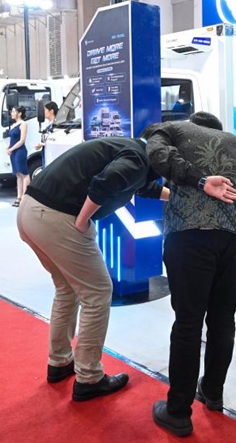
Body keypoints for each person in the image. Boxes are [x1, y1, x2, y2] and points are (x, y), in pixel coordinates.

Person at [16, 133, 177, 402]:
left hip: (31, 213)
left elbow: (137, 184)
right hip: (57, 218)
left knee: (67, 289)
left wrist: (173, 197)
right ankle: (89, 377)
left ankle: (59, 362)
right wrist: (82, 221)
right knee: (98, 292)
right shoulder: (137, 159)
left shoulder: (130, 150)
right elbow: (107, 182)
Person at [145, 112, 236, 438]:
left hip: (192, 232)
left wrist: (195, 181)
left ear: (192, 124)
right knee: (223, 317)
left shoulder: (172, 128)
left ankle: (178, 412)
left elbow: (157, 153)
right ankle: (213, 392)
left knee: (188, 322)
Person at [7, 106, 30, 207]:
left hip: (20, 151)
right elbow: (11, 139)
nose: (11, 113)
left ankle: (25, 197)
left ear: (19, 113)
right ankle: (18, 196)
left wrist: (11, 149)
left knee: (24, 173)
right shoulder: (13, 125)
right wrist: (7, 148)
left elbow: (22, 140)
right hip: (13, 152)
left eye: (13, 111)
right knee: (17, 174)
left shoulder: (23, 124)